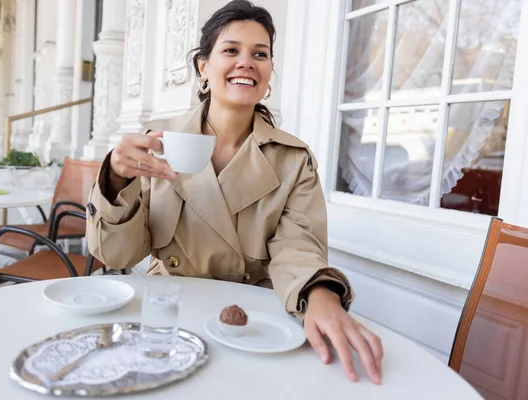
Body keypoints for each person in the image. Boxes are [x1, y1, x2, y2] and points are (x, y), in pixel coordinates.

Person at [86, 0, 383, 384]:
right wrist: (114, 178)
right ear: (203, 67)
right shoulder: (158, 141)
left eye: (260, 54)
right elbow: (117, 253)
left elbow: (298, 247)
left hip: (253, 321)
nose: (247, 62)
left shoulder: (293, 159)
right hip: (169, 312)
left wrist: (321, 294)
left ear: (269, 72)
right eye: (231, 50)